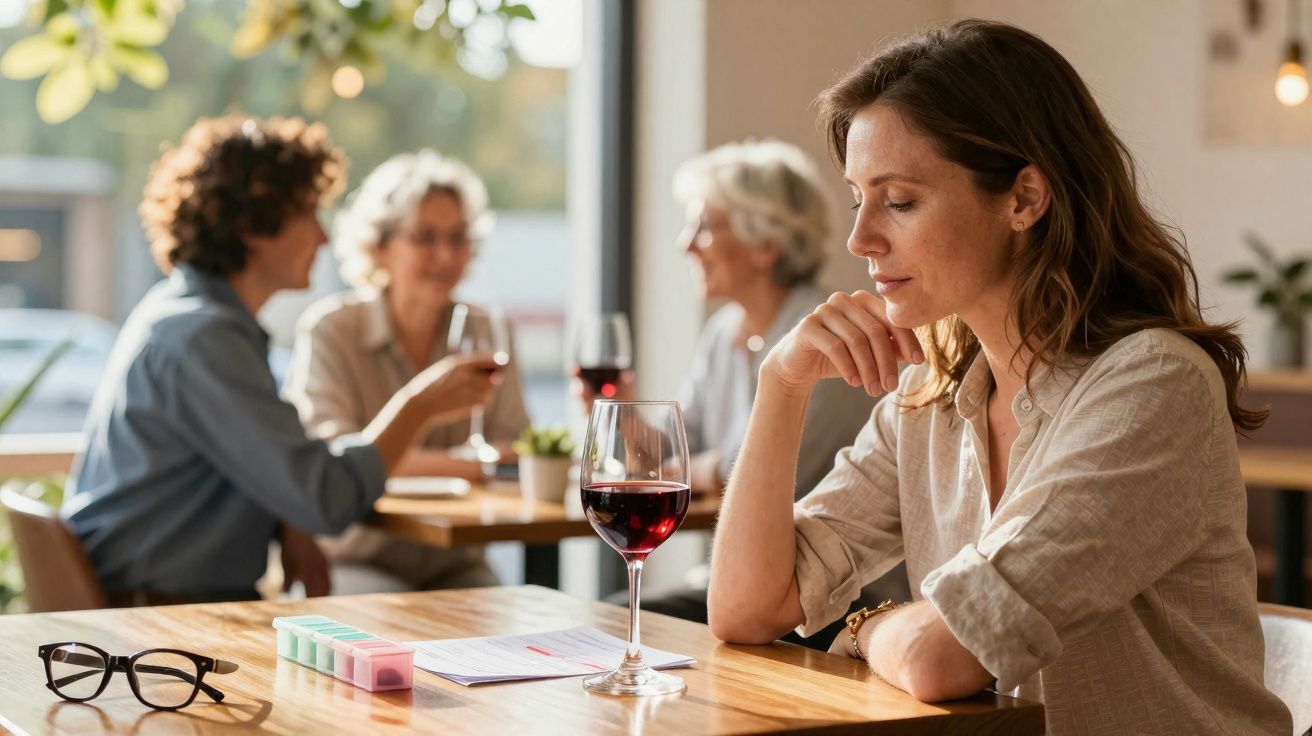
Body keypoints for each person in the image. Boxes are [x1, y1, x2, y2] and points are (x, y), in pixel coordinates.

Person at [707, 20, 1291, 735]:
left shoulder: (1152, 388)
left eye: (899, 201)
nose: (860, 239)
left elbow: (942, 658)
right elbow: (745, 608)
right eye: (858, 197)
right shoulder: (931, 397)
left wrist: (864, 626)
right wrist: (782, 384)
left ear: (1024, 199)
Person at [63, 117, 500, 605]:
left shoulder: (184, 316)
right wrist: (418, 405)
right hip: (158, 623)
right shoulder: (205, 338)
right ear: (254, 227)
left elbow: (271, 467)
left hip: (167, 602)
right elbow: (328, 498)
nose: (323, 238)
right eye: (309, 214)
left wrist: (289, 522)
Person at [578, 140, 905, 640]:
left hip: (830, 605)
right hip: (746, 587)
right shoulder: (724, 331)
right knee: (608, 618)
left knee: (625, 622)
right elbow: (679, 452)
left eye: (705, 226)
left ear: (765, 243)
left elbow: (748, 470)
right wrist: (621, 418)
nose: (686, 244)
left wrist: (703, 465)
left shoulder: (826, 337)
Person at [283, 149, 529, 592]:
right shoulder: (333, 330)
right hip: (360, 559)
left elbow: (516, 453)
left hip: (455, 561)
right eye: (425, 237)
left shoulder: (487, 330)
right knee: (396, 644)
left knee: (520, 632)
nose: (446, 255)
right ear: (379, 246)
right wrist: (469, 464)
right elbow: (335, 462)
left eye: (458, 238)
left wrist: (401, 461)